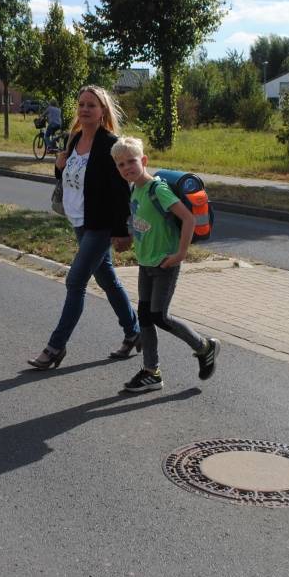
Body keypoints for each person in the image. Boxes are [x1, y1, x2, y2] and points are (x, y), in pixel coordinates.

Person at [28, 86, 140, 370]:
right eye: (81, 104)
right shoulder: (75, 138)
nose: (85, 109)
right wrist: (58, 165)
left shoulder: (109, 144)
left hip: (101, 225)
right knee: (107, 278)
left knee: (75, 282)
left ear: (102, 111)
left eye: (91, 105)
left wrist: (122, 230)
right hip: (79, 220)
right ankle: (134, 331)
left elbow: (120, 190)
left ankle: (55, 347)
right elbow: (67, 177)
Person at [110, 136, 218, 392]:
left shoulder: (157, 189)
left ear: (144, 160)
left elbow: (188, 219)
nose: (127, 168)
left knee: (159, 315)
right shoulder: (134, 189)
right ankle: (151, 371)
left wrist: (181, 253)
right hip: (146, 262)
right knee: (145, 317)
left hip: (166, 263)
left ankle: (204, 346)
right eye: (121, 164)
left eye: (131, 161)